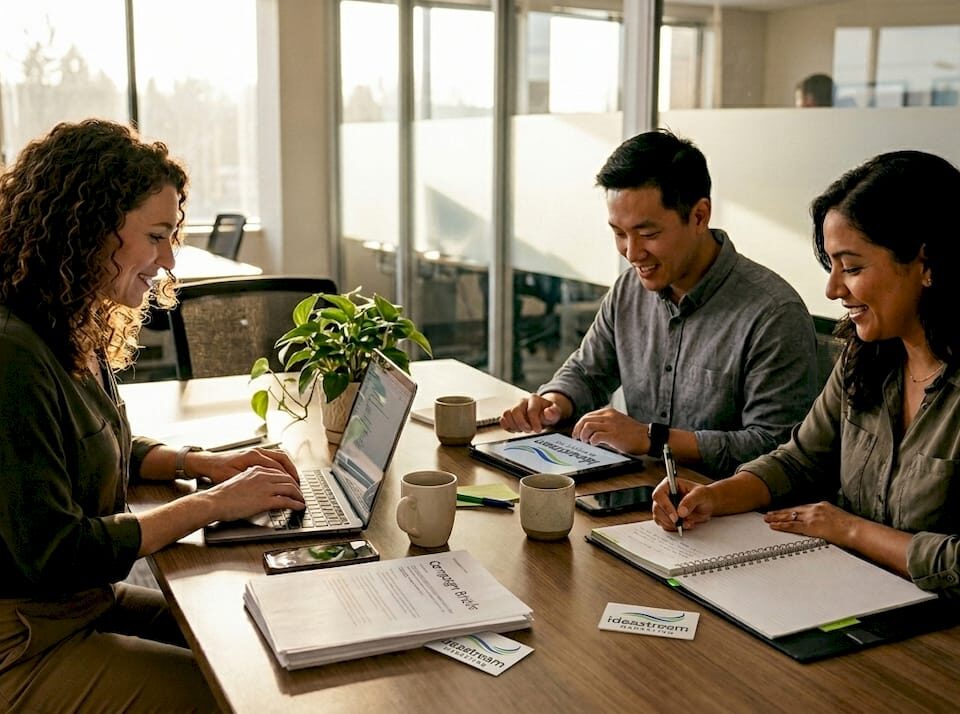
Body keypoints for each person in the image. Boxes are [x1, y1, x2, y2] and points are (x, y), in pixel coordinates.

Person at [0, 120, 306, 711]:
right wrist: (209, 505)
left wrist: (206, 463)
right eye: (157, 236)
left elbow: (103, 440)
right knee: (237, 698)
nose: (169, 259)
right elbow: (54, 551)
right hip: (26, 639)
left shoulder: (67, 323)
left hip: (81, 602)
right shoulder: (13, 354)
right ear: (86, 230)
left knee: (249, 638)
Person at [652, 150, 960, 597]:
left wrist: (849, 530)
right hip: (850, 595)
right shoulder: (867, 359)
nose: (833, 289)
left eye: (852, 268)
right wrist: (715, 496)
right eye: (832, 266)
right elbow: (799, 459)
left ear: (927, 264)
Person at [500, 130, 818, 478]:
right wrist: (554, 404)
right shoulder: (628, 291)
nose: (632, 253)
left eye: (648, 234)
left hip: (727, 512)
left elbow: (775, 448)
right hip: (640, 493)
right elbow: (587, 373)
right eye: (619, 234)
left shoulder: (772, 313)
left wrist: (654, 439)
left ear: (699, 216)